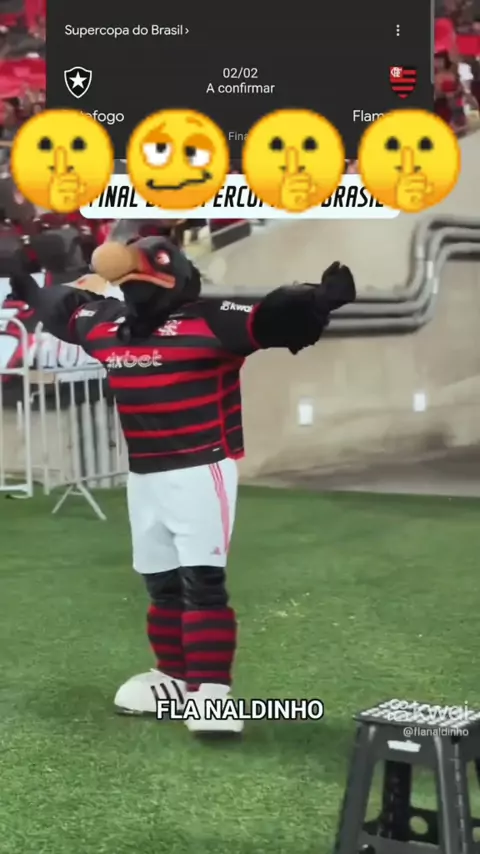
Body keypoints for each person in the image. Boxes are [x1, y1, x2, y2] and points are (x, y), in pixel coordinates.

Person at [9, 234, 356, 736]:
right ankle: (171, 677)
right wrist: (24, 282)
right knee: (160, 582)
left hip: (200, 469)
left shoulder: (210, 320)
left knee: (202, 581)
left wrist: (317, 300)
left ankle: (211, 692)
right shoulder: (108, 324)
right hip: (143, 475)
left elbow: (270, 317)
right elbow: (64, 308)